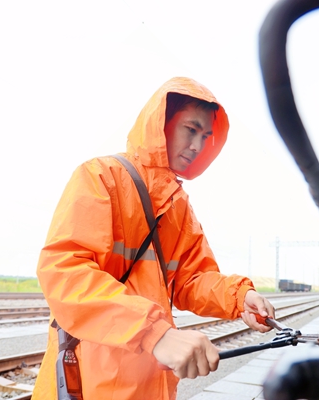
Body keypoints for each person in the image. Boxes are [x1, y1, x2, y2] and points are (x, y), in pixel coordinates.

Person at [32, 77, 275, 400]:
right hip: (93, 380)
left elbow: (191, 280)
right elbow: (65, 273)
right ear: (161, 123)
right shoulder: (101, 178)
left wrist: (238, 297)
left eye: (205, 136)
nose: (197, 145)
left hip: (150, 379)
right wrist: (155, 333)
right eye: (190, 129)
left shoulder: (178, 206)